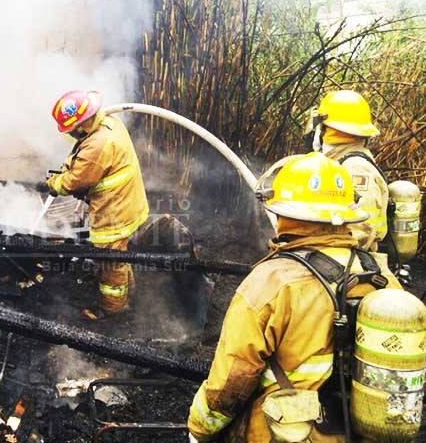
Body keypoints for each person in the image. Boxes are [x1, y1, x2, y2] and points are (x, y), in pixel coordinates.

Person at [187, 152, 401, 442]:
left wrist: (199, 431)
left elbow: (231, 381)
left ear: (286, 214)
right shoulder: (381, 277)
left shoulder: (272, 284)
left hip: (286, 433)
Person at [45, 90, 149, 318]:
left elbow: (73, 183)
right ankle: (129, 288)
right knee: (120, 253)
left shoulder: (96, 146)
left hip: (114, 212)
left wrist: (54, 183)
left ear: (80, 126)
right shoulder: (110, 123)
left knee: (109, 261)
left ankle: (113, 308)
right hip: (129, 202)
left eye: (71, 130)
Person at [306, 90, 388, 252]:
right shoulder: (337, 163)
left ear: (327, 130)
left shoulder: (355, 168)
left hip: (349, 261)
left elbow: (362, 230)